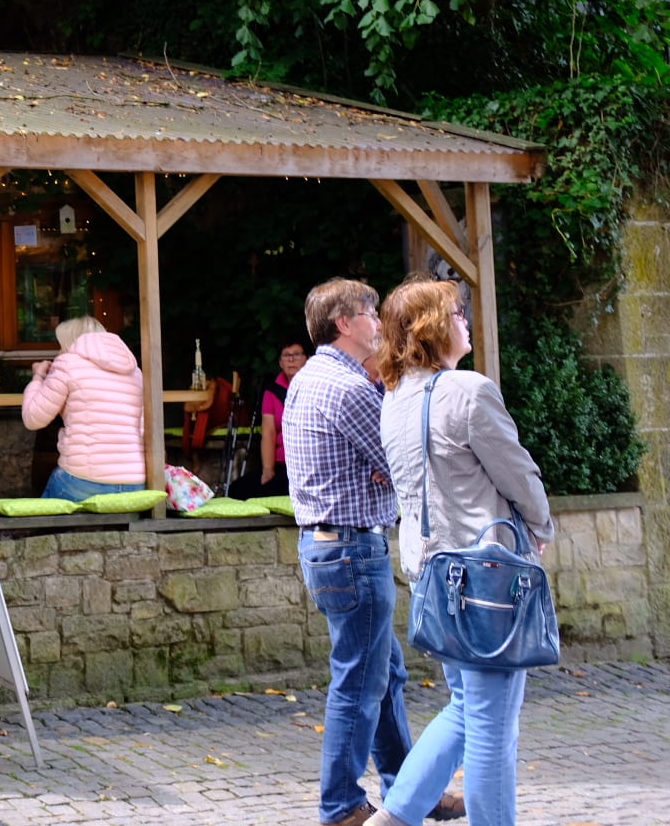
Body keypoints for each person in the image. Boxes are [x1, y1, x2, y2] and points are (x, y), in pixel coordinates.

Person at [367, 280, 554, 826]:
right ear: (431, 327)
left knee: (468, 708)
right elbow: (517, 473)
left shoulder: (394, 400)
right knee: (493, 726)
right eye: (456, 312)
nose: (465, 320)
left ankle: (394, 817)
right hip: (485, 577)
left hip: (434, 574)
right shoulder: (467, 392)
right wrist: (541, 524)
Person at [287, 278, 462, 826]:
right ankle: (341, 807)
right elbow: (401, 460)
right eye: (371, 314)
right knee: (360, 684)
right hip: (353, 549)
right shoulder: (350, 388)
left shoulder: (307, 379)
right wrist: (385, 473)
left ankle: (411, 792)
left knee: (380, 679)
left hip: (326, 545)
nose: (381, 325)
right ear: (345, 323)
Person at [20, 316, 145, 501]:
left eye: (60, 345)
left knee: (47, 504)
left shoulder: (67, 363)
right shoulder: (134, 372)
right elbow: (142, 429)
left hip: (84, 481)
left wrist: (38, 378)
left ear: (70, 342)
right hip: (135, 483)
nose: (59, 351)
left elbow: (33, 418)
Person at [229, 338, 307, 499]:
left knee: (269, 492)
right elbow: (269, 433)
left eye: (297, 354)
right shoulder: (272, 392)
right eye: (286, 355)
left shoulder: (316, 388)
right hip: (281, 464)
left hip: (306, 466)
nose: (291, 359)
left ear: (307, 359)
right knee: (237, 489)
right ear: (280, 362)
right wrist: (268, 470)